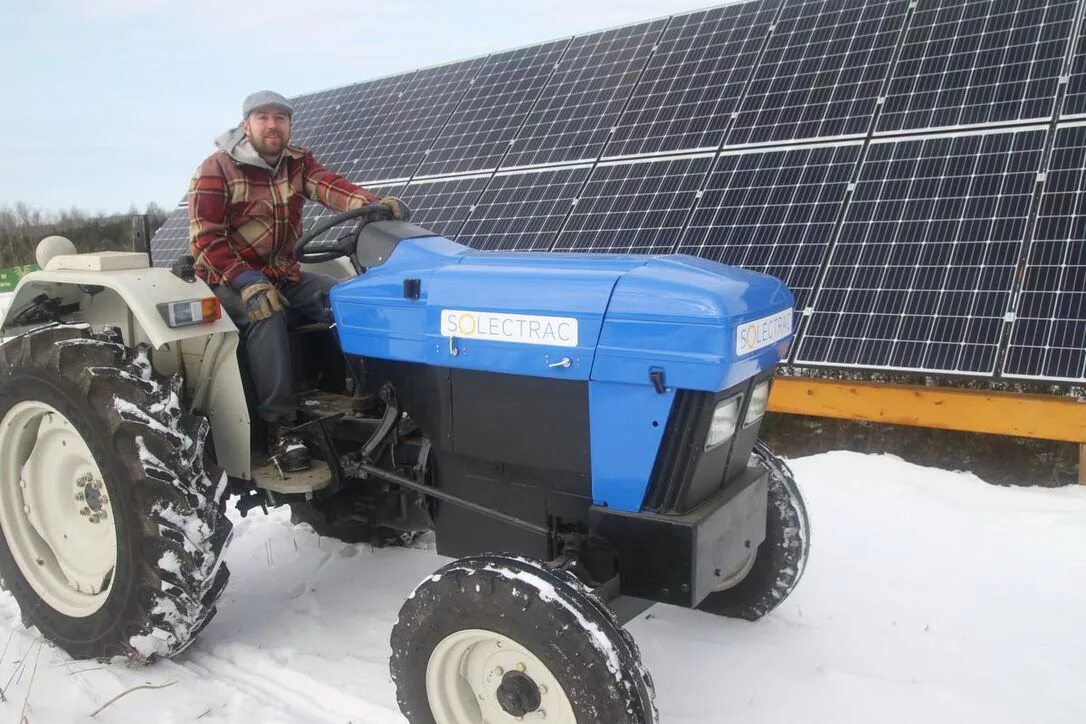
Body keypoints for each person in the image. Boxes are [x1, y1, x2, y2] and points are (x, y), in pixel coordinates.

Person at [188, 90, 408, 472]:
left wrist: (371, 205)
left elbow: (329, 186)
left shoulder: (297, 162)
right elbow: (205, 240)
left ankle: (365, 394)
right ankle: (280, 426)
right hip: (229, 279)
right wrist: (246, 281)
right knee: (266, 313)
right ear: (246, 125)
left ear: (289, 125)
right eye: (263, 118)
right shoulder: (217, 168)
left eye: (280, 118)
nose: (272, 125)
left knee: (341, 297)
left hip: (284, 274)